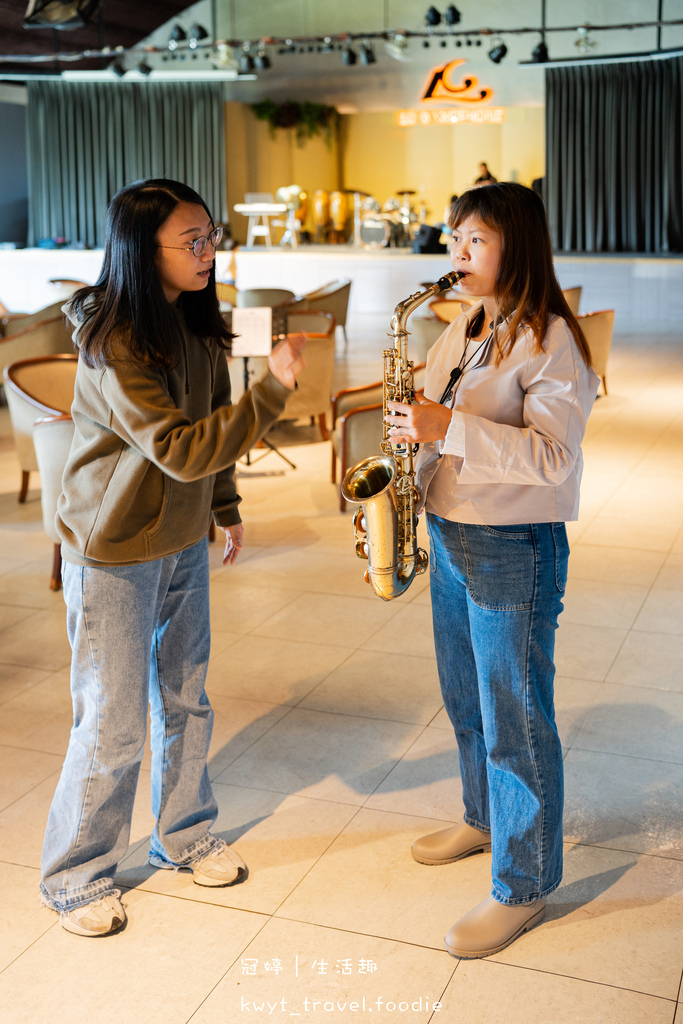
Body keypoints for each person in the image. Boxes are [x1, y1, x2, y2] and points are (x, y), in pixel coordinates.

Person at [39, 178, 305, 937]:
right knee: (112, 720)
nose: (207, 250)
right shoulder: (115, 339)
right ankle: (76, 876)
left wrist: (223, 507)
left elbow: (209, 423)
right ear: (140, 249)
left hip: (181, 539)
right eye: (191, 240)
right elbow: (181, 447)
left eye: (211, 235)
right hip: (115, 550)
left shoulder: (195, 317)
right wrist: (275, 394)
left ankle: (183, 835)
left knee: (186, 698)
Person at [385, 182, 598, 959]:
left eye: (474, 241)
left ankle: (525, 883)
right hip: (450, 529)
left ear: (517, 245)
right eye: (453, 240)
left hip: (512, 543)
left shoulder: (549, 340)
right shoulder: (470, 321)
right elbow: (438, 407)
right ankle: (482, 817)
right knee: (466, 699)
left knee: (516, 715)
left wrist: (451, 425)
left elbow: (553, 458)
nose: (457, 256)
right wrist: (418, 421)